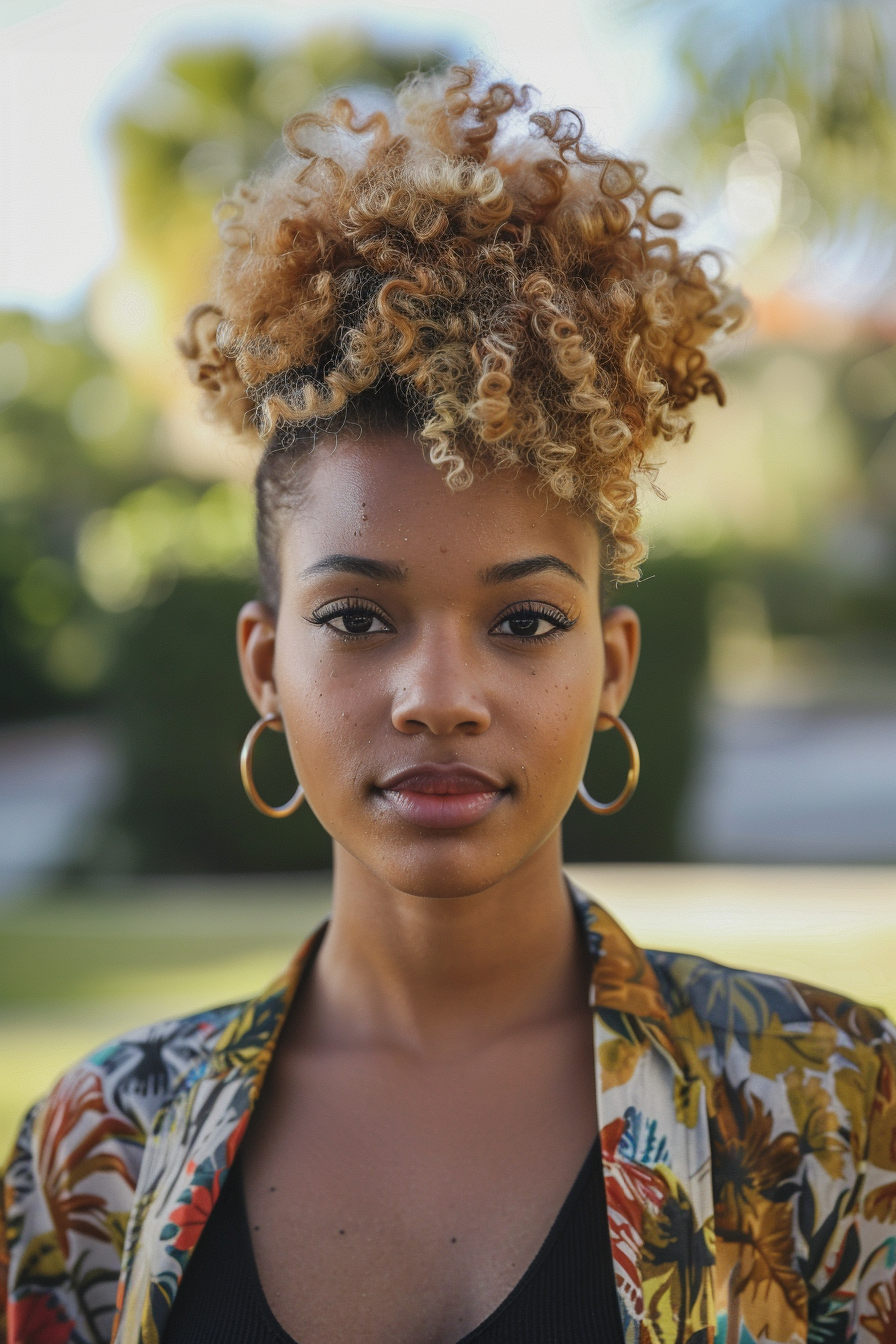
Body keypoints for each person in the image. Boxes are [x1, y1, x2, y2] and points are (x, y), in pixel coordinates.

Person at [3, 62, 895, 1344]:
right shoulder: (95, 1156)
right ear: (264, 665)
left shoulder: (830, 1107)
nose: (437, 698)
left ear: (613, 669)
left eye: (524, 621)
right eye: (357, 619)